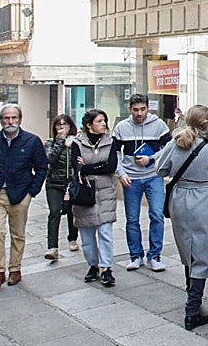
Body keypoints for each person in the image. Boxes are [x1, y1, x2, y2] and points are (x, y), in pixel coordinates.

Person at [155, 105, 208, 330]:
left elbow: (160, 169)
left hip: (180, 199)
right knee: (202, 253)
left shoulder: (176, 142)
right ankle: (192, 309)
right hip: (204, 199)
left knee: (189, 249)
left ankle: (193, 302)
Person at [0, 103, 48, 293]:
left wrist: (31, 192)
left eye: (13, 118)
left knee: (18, 234)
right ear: (1, 120)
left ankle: (15, 269)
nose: (10, 121)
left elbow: (41, 168)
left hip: (20, 194)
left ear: (20, 120)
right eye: (6, 118)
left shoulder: (31, 141)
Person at [114, 93, 171, 272]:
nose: (139, 113)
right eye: (136, 110)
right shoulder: (122, 127)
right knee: (132, 218)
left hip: (153, 175)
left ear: (148, 108)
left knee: (156, 215)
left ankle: (154, 256)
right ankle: (136, 255)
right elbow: (114, 153)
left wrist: (151, 158)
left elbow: (169, 148)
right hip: (131, 177)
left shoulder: (159, 125)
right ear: (130, 109)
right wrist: (121, 173)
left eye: (143, 109)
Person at [69, 109, 122, 288]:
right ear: (89, 125)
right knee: (87, 237)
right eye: (99, 121)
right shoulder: (77, 143)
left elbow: (111, 166)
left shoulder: (111, 142)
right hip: (85, 194)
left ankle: (106, 268)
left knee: (106, 233)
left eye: (104, 121)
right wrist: (94, 166)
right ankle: (93, 265)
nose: (104, 124)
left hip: (106, 193)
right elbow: (77, 167)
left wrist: (89, 167)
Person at [44, 114, 80, 260]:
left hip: (71, 183)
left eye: (65, 124)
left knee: (72, 211)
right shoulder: (50, 143)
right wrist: (60, 141)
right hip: (54, 182)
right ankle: (52, 247)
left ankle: (72, 238)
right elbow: (50, 159)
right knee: (54, 212)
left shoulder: (76, 142)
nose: (62, 127)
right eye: (59, 124)